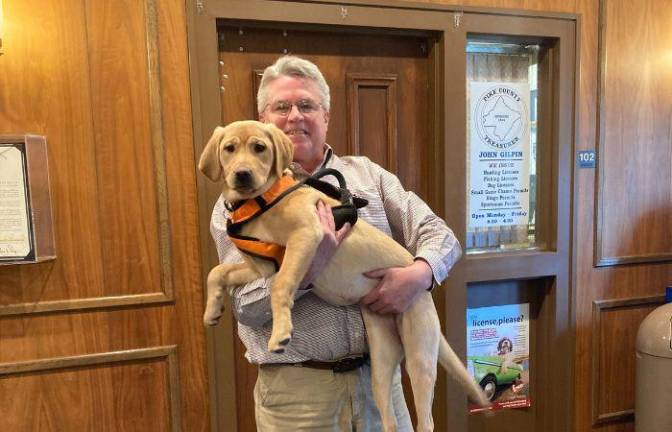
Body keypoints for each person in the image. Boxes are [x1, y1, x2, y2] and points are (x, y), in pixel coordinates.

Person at [209, 55, 462, 431]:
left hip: (381, 384)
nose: (295, 116)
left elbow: (441, 235)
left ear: (326, 117)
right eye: (282, 106)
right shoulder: (236, 207)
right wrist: (311, 263)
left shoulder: (369, 177)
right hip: (298, 398)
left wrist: (419, 275)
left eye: (307, 105)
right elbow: (247, 308)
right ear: (264, 119)